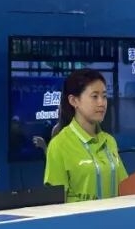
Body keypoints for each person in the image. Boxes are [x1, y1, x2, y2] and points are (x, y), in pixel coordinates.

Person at [44, 69, 128, 202]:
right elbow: (55, 204)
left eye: (104, 96)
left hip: (116, 215)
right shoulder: (59, 145)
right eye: (94, 96)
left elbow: (125, 188)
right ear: (74, 101)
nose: (101, 103)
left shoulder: (110, 141)